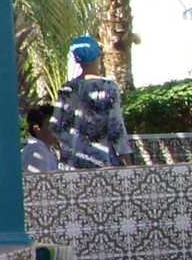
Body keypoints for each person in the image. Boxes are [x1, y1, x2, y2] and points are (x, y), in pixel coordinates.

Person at [54, 36, 133, 167]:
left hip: (73, 161)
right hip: (102, 160)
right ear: (98, 56)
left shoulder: (67, 89)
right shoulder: (108, 87)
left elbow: (58, 128)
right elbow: (116, 126)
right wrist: (127, 161)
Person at [22, 103, 63, 173]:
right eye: (49, 125)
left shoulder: (46, 151)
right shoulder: (36, 149)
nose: (55, 130)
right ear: (36, 129)